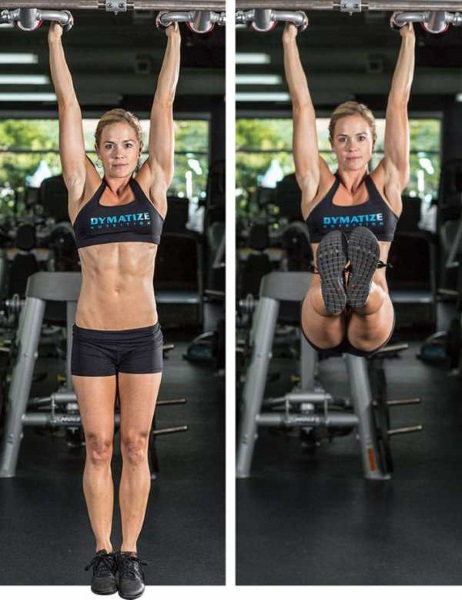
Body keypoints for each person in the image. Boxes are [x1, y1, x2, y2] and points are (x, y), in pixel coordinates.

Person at [48, 17, 180, 599]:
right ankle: (102, 552)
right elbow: (67, 105)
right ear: (96, 153)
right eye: (110, 146)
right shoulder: (82, 190)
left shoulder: (155, 186)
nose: (120, 153)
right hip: (94, 337)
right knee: (99, 445)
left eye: (129, 145)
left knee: (136, 445)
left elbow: (165, 103)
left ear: (140, 151)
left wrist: (176, 35)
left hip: (143, 336)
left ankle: (131, 555)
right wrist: (54, 38)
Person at [283, 21, 415, 356]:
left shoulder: (388, 182)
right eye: (342, 139)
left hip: (373, 316)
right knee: (325, 301)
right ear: (332, 146)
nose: (352, 147)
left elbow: (399, 104)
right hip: (321, 316)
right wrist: (288, 40)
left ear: (374, 144)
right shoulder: (316, 184)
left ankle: (357, 286)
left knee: (370, 299)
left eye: (360, 138)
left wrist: (409, 38)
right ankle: (340, 287)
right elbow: (301, 107)